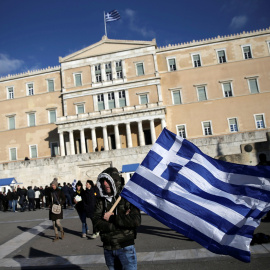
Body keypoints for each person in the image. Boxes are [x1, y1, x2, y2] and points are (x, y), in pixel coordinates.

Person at [93, 167, 141, 270]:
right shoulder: (101, 201)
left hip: (125, 247)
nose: (105, 184)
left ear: (115, 181)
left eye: (108, 180)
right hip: (108, 248)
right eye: (103, 181)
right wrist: (122, 221)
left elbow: (135, 220)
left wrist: (111, 218)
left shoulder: (127, 198)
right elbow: (96, 223)